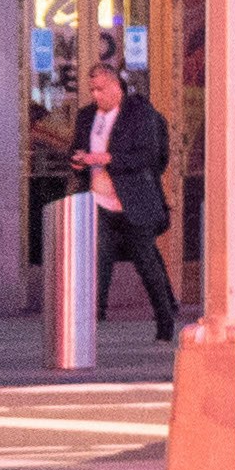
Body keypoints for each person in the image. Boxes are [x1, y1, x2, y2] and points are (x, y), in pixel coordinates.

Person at [74, 52, 181, 342]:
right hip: (99, 201)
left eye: (100, 89)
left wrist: (108, 158)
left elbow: (150, 156)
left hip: (133, 201)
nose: (96, 96)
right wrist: (79, 160)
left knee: (146, 261)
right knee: (97, 263)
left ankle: (165, 319)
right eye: (92, 90)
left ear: (115, 87)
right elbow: (77, 147)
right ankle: (91, 323)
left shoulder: (139, 114)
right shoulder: (86, 116)